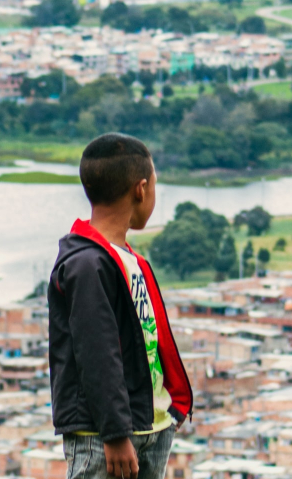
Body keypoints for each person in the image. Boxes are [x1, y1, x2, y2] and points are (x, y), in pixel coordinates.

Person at [48, 133, 192, 479]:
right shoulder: (87, 264)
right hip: (106, 437)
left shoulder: (128, 260)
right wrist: (114, 432)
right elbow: (96, 351)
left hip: (151, 426)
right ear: (140, 189)